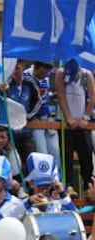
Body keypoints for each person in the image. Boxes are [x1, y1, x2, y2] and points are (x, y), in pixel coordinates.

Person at [55, 58, 95, 193]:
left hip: (82, 121)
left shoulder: (86, 74)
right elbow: (60, 96)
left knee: (86, 154)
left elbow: (92, 97)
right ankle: (69, 185)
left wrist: (85, 117)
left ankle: (88, 186)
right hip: (66, 122)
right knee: (67, 156)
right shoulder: (60, 73)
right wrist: (68, 118)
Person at [24, 61, 61, 171]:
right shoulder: (26, 77)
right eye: (42, 73)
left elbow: (45, 95)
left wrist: (52, 96)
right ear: (35, 67)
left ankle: (56, 178)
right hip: (34, 119)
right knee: (42, 151)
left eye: (46, 73)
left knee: (55, 150)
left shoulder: (47, 76)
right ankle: (44, 177)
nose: (44, 75)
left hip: (48, 118)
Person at [3, 59, 38, 174]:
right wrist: (1, 90)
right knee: (15, 161)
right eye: (13, 68)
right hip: (12, 131)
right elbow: (0, 100)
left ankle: (31, 185)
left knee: (29, 158)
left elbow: (38, 101)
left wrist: (28, 116)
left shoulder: (30, 82)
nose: (15, 72)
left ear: (23, 67)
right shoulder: (7, 83)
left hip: (26, 129)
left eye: (17, 68)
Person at [0, 125, 27, 198]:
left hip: (10, 181)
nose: (0, 140)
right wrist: (10, 182)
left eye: (3, 137)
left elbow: (16, 170)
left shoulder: (10, 150)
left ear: (8, 139)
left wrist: (11, 151)